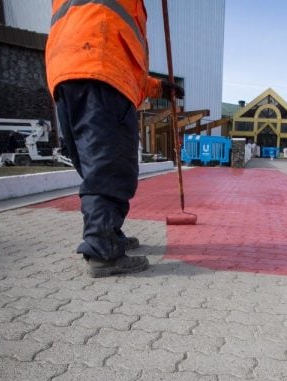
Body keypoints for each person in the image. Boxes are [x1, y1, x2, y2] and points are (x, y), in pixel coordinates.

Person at [45, 0, 183, 278]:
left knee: (94, 163)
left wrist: (157, 87)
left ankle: (109, 234)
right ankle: (103, 250)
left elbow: (121, 58)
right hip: (100, 72)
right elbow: (110, 55)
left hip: (67, 70)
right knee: (109, 166)